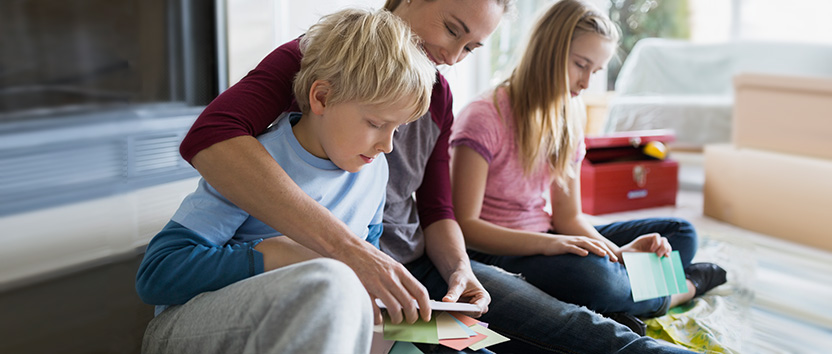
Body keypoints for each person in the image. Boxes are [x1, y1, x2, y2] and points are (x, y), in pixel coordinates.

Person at [176, 0, 700, 352]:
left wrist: (461, 269)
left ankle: (676, 287)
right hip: (362, 278)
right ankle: (661, 291)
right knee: (559, 314)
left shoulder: (437, 99)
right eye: (452, 29)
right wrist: (348, 253)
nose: (452, 56)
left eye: (470, 47)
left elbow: (438, 208)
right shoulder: (322, 62)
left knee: (567, 322)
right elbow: (211, 136)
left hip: (413, 275)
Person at [135, 8, 437, 353]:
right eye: (375, 123)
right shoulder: (254, 164)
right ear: (321, 97)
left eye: (397, 128)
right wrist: (278, 254)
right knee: (332, 282)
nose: (388, 145)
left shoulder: (375, 169)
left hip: (320, 326)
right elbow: (156, 275)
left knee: (429, 341)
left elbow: (367, 268)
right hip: (189, 330)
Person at [450, 0, 727, 336]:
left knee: (680, 233)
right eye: (581, 65)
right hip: (498, 251)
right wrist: (550, 245)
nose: (585, 84)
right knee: (594, 279)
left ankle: (619, 299)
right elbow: (465, 226)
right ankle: (680, 289)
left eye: (594, 72)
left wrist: (619, 254)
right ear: (547, 50)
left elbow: (569, 218)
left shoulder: (568, 114)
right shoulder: (484, 116)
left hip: (552, 235)